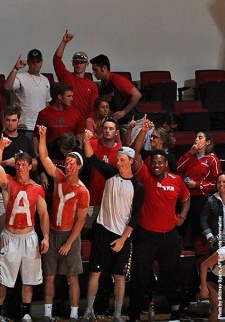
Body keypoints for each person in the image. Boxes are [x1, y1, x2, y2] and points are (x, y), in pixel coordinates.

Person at [128, 116, 191, 322]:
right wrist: (143, 132)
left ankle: (176, 310)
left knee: (171, 275)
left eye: (159, 163)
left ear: (166, 164)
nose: (156, 165)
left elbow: (187, 198)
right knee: (140, 276)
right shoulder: (144, 176)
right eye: (153, 162)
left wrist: (182, 216)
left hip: (169, 237)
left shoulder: (177, 181)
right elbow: (134, 152)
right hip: (146, 236)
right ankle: (135, 313)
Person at [82, 130, 144, 322]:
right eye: (117, 159)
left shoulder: (137, 186)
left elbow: (134, 218)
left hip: (122, 236)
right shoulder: (110, 173)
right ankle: (88, 310)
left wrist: (122, 240)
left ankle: (117, 314)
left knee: (119, 276)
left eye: (122, 160)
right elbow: (91, 157)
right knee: (95, 272)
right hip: (102, 230)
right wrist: (86, 140)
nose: (118, 162)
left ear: (131, 161)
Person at [0, 135, 50, 321]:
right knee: (2, 279)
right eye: (18, 164)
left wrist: (46, 237)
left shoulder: (37, 188)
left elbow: (43, 214)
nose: (20, 167)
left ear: (30, 166)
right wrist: (0, 147)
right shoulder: (8, 182)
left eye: (24, 164)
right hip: (10, 236)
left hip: (29, 237)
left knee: (29, 279)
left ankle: (26, 313)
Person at [38, 125, 90, 322]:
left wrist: (69, 243)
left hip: (70, 235)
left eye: (71, 164)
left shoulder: (82, 190)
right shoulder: (59, 177)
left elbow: (81, 220)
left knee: (73, 277)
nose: (67, 166)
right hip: (53, 232)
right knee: (49, 276)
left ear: (79, 167)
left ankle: (75, 315)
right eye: (66, 163)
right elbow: (44, 158)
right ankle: (46, 314)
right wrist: (43, 136)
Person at [0, 106, 36, 244]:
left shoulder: (25, 141)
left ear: (18, 121)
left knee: (19, 231)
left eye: (13, 120)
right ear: (3, 120)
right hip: (0, 191)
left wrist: (22, 163)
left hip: (22, 192)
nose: (10, 123)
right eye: (7, 120)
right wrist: (6, 163)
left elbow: (35, 163)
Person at [177, 132, 221, 241]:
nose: (196, 139)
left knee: (199, 229)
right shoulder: (189, 155)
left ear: (208, 142)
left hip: (200, 198)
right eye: (196, 137)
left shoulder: (212, 159)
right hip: (183, 197)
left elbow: (216, 184)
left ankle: (201, 256)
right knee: (179, 227)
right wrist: (190, 153)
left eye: (200, 137)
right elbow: (177, 169)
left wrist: (196, 185)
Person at [90, 54, 142, 139]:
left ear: (104, 68)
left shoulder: (117, 80)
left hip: (133, 122)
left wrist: (124, 111)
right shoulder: (102, 85)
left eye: (95, 70)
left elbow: (137, 95)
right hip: (120, 123)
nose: (93, 73)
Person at [84, 118, 122, 231]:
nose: (107, 131)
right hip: (92, 197)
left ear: (116, 132)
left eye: (111, 129)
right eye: (105, 128)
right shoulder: (91, 144)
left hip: (111, 201)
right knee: (86, 231)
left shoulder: (121, 151)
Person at [3, 49, 51, 137]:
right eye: (33, 61)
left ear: (41, 62)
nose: (35, 64)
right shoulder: (20, 77)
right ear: (28, 62)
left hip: (40, 126)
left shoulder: (45, 80)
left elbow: (47, 103)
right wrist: (16, 68)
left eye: (38, 61)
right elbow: (7, 87)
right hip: (23, 126)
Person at [53, 29, 98, 122]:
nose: (79, 65)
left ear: (87, 64)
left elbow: (93, 107)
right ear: (73, 63)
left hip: (84, 123)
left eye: (81, 63)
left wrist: (89, 121)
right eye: (76, 62)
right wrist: (64, 42)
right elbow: (56, 60)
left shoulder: (92, 85)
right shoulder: (66, 77)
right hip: (67, 121)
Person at [33, 82, 84, 153]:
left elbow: (79, 135)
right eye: (69, 96)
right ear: (59, 96)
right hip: (49, 154)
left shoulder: (76, 113)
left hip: (69, 154)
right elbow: (36, 135)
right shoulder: (44, 113)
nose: (72, 99)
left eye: (72, 96)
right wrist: (36, 153)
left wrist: (79, 153)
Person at [200, 243, 225, 322]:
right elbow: (203, 265)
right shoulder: (223, 252)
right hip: (212, 277)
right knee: (217, 307)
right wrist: (204, 287)